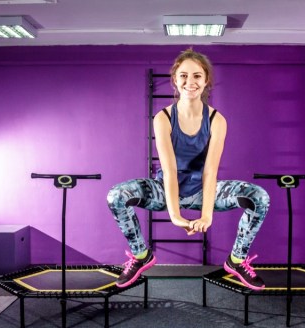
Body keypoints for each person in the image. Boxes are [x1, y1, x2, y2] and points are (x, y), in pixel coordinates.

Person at [107, 48, 270, 290]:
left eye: (197, 76)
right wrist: (175, 216)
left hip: (203, 190)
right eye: (183, 75)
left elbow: (210, 172)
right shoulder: (162, 118)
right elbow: (170, 170)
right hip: (165, 189)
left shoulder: (217, 120)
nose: (190, 82)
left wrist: (206, 216)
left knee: (260, 197)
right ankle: (141, 255)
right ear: (174, 79)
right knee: (116, 196)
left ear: (206, 81)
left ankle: (236, 260)